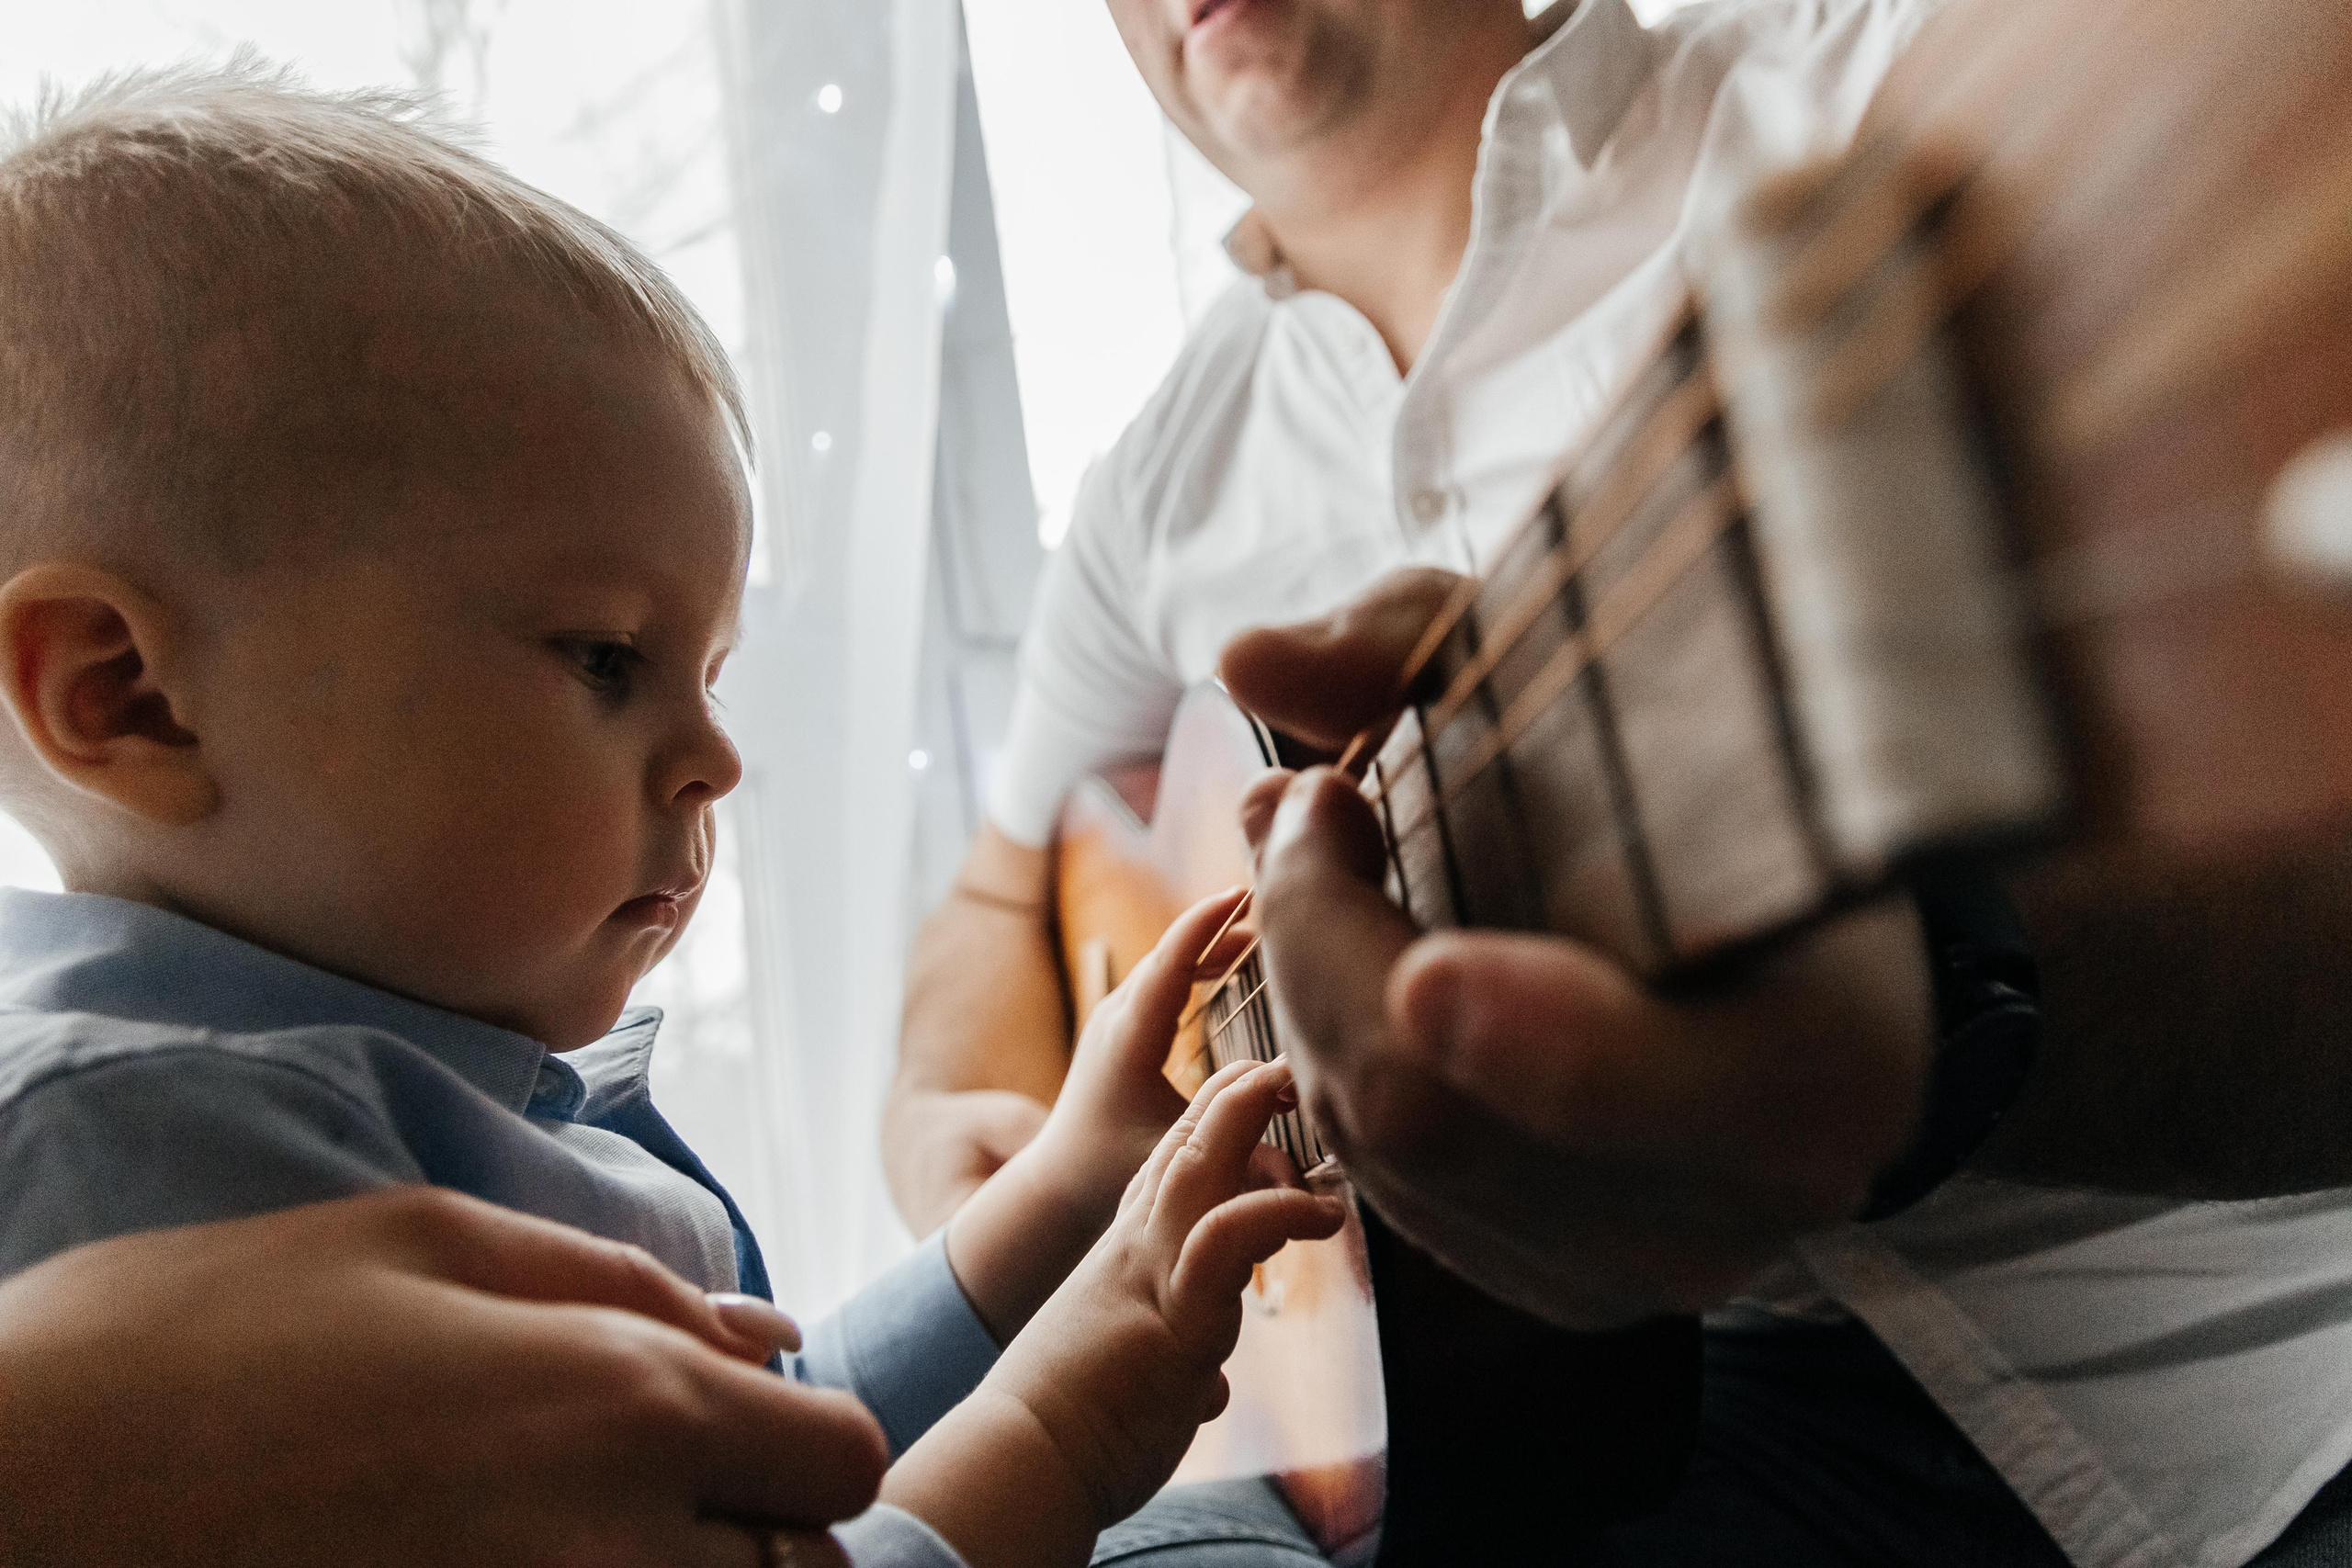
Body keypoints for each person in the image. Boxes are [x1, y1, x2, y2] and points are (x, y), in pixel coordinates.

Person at [888, 0, 2352, 1562]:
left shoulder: (1854, 83)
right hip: (1636, 1461)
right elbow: (996, 884)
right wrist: (959, 1126)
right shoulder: (1150, 498)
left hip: (2265, 1398)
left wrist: (1939, 1014)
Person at [0, 64, 1345, 1568]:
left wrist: (1059, 1191)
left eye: (707, 671)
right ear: (126, 696)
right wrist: (1062, 1429)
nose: (714, 755)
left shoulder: (407, 1060)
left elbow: (764, 1436)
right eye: (603, 657)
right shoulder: (154, 1167)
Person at [0, 1189, 893, 1568]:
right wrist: (1037, 1427)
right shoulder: (181, 1154)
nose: (729, 779)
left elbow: (767, 1439)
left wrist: (1040, 1197)